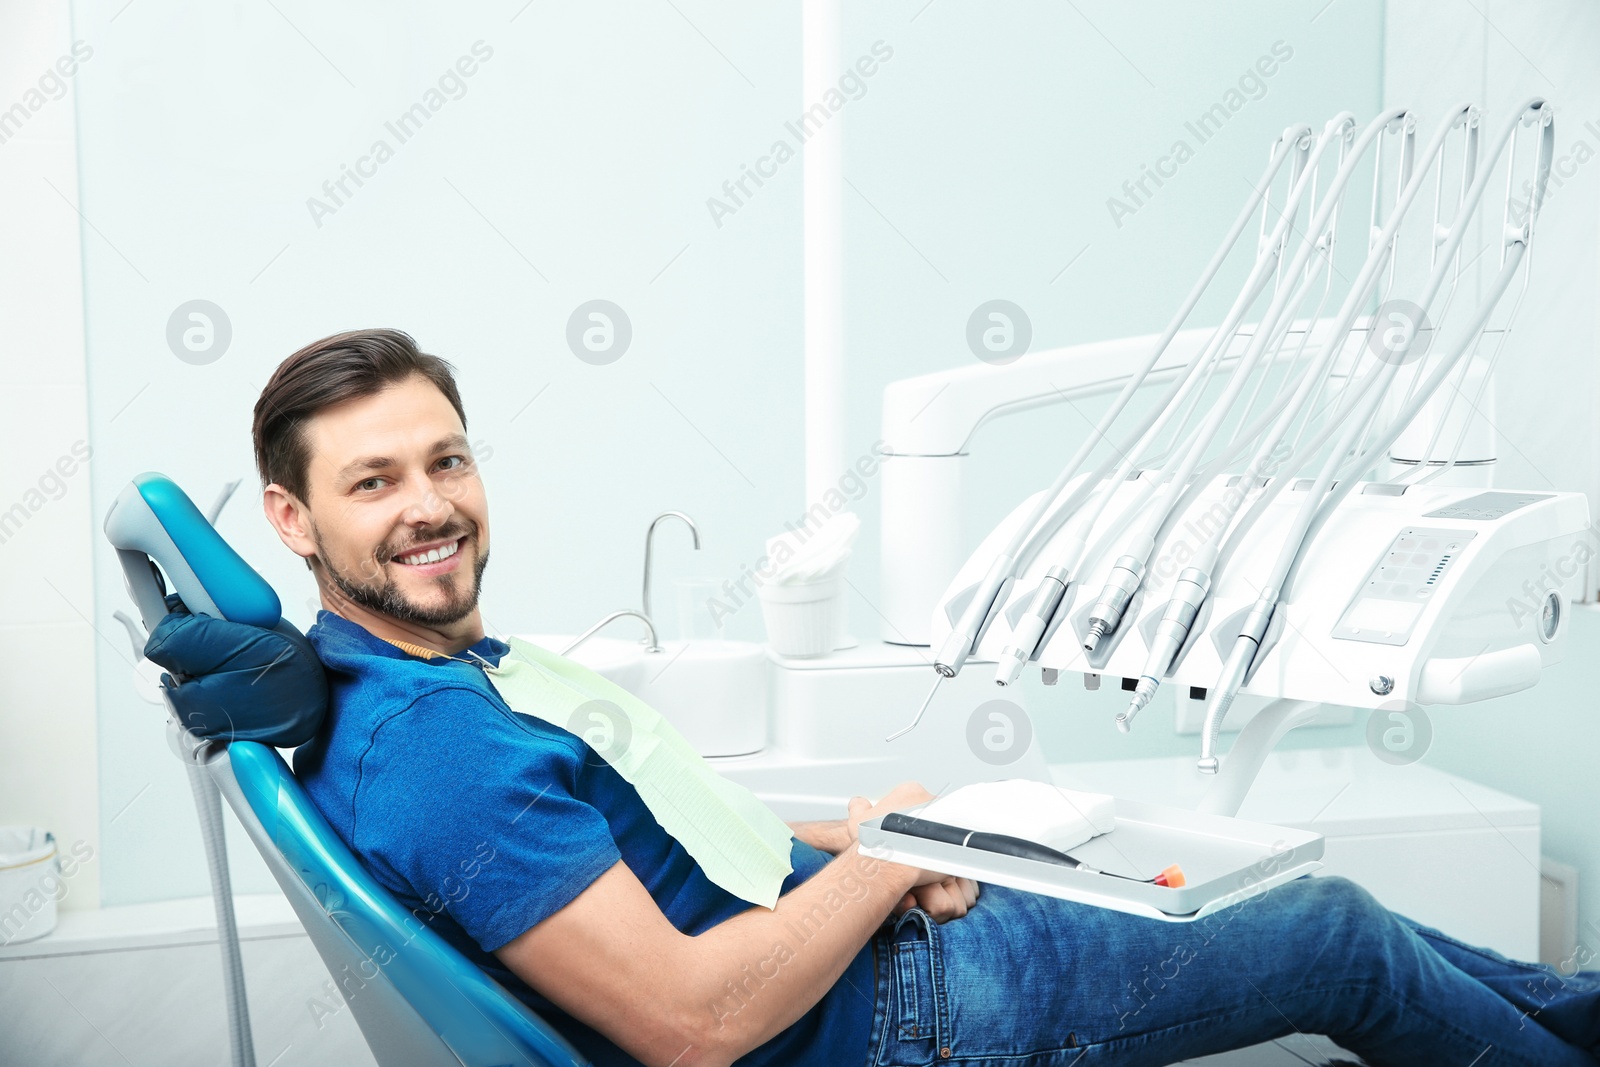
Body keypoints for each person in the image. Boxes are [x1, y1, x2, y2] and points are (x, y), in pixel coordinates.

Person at [186, 327, 1600, 1066]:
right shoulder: (437, 752)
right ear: (292, 520)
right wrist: (882, 864)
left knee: (1244, 893)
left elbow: (692, 862)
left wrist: (874, 863)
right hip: (884, 1029)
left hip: (855, 948)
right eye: (373, 483)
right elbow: (692, 1029)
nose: (430, 507)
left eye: (447, 461)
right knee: (1329, 933)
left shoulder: (424, 676)